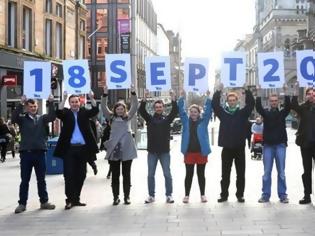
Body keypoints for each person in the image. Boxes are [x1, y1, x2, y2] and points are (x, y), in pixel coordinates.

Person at [54, 91, 99, 210]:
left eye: (76, 102)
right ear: (69, 103)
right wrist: (63, 98)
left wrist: (91, 98)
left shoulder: (84, 113)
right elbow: (58, 112)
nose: (74, 104)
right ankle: (69, 200)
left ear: (80, 103)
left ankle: (76, 198)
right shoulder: (66, 114)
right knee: (69, 175)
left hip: (83, 149)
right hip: (69, 149)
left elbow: (95, 110)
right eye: (72, 102)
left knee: (82, 175)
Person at [11, 95, 56, 214]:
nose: (33, 108)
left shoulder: (42, 118)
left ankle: (44, 201)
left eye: (35, 106)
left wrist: (51, 103)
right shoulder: (22, 119)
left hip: (40, 153)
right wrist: (20, 104)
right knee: (24, 180)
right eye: (30, 106)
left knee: (41, 179)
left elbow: (52, 116)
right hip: (26, 154)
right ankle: (22, 203)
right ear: (26, 107)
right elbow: (13, 118)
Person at [212, 84, 255, 203]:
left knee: (240, 174)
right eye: (229, 100)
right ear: (227, 101)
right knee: (225, 174)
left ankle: (240, 195)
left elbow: (251, 104)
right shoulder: (223, 114)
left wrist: (247, 91)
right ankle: (224, 195)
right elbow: (215, 105)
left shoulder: (242, 114)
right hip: (227, 149)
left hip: (239, 148)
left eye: (233, 100)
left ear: (237, 101)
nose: (231, 102)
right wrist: (218, 91)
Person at [138, 89, 178, 204]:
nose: (159, 108)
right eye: (157, 107)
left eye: (160, 107)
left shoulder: (167, 119)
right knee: (150, 174)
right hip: (152, 152)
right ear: (154, 108)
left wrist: (173, 97)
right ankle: (151, 195)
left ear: (163, 108)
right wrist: (145, 97)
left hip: (165, 152)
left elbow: (175, 111)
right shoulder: (149, 119)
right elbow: (142, 110)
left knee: (167, 174)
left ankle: (169, 195)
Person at [101, 85, 138, 205]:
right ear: (115, 110)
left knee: (126, 175)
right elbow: (103, 106)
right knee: (115, 175)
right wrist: (105, 94)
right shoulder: (111, 117)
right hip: (114, 150)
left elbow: (135, 105)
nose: (120, 111)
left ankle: (127, 197)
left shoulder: (128, 117)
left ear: (125, 110)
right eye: (118, 109)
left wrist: (133, 93)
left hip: (127, 149)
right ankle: (115, 197)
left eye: (122, 109)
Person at [256, 85, 290, 203]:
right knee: (266, 172)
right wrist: (259, 92)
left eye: (276, 101)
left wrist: (286, 92)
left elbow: (288, 106)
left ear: (278, 101)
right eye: (272, 101)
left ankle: (283, 195)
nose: (274, 102)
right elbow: (258, 107)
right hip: (268, 146)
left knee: (281, 172)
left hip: (280, 145)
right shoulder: (265, 113)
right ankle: (265, 195)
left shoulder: (282, 113)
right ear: (269, 102)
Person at [178, 90, 212, 203]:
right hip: (189, 152)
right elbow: (181, 111)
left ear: (198, 113)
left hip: (201, 152)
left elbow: (208, 112)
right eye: (191, 112)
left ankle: (203, 195)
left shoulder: (204, 121)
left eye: (195, 112)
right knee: (189, 174)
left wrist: (208, 97)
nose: (193, 113)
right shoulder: (185, 121)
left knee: (201, 174)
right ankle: (186, 195)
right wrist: (182, 97)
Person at [291, 83, 315, 204]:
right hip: (305, 144)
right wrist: (295, 90)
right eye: (309, 94)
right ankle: (307, 195)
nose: (311, 96)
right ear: (306, 96)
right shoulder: (303, 108)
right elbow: (293, 105)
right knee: (307, 171)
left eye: (313, 94)